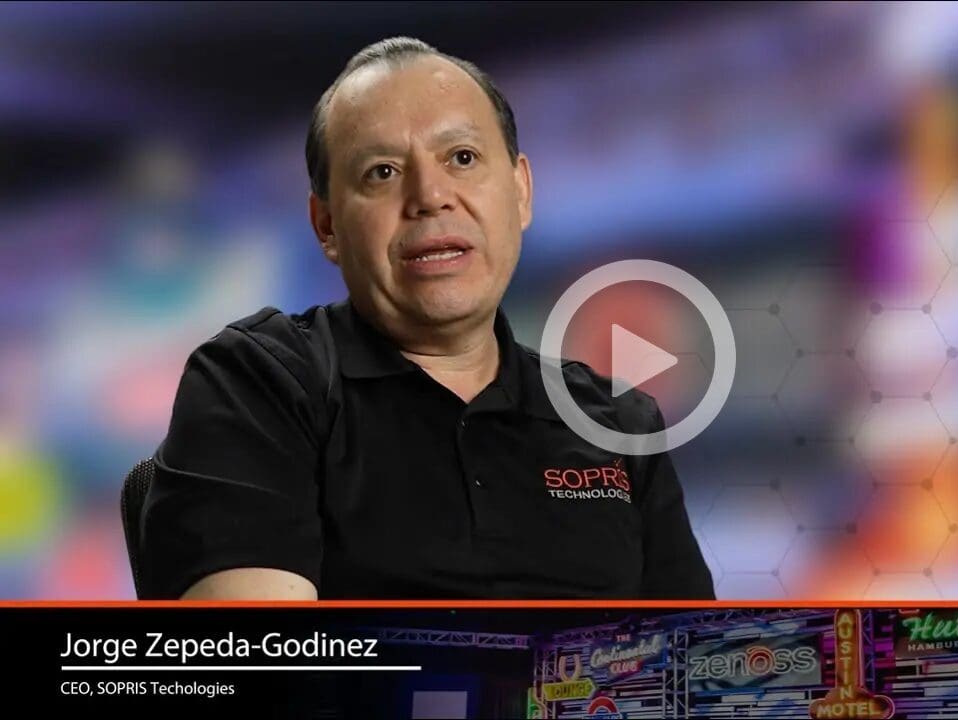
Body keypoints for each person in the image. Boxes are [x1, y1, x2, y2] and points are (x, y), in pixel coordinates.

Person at [138, 37, 714, 600]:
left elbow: (694, 671)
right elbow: (262, 672)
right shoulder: (257, 382)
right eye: (382, 172)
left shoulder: (622, 423)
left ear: (520, 193)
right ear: (327, 226)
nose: (430, 195)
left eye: (462, 159)